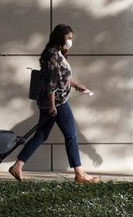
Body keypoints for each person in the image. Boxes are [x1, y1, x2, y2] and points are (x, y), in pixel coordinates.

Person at [8, 24, 100, 183]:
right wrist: (52, 106)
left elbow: (62, 78)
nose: (70, 41)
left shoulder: (56, 54)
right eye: (69, 38)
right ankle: (80, 174)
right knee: (71, 135)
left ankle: (17, 166)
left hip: (51, 101)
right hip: (57, 102)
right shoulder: (52, 55)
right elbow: (51, 83)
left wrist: (77, 85)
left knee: (41, 135)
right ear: (60, 37)